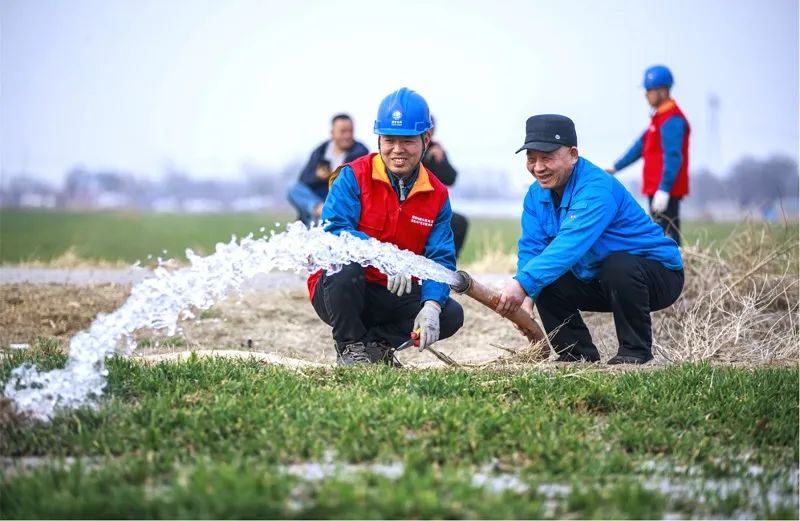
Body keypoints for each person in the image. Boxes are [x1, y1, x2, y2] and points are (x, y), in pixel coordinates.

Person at [496, 114, 684, 365]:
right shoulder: (535, 195)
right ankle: (576, 354)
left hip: (656, 275)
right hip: (599, 277)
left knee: (618, 264)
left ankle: (634, 353)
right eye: (531, 159)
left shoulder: (596, 188)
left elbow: (569, 245)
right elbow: (532, 248)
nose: (538, 167)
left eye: (547, 157)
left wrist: (521, 284)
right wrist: (527, 296)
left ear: (573, 154)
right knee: (543, 278)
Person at [306, 87, 464, 366]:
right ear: (379, 139)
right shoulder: (353, 176)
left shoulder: (437, 194)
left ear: (426, 139)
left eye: (408, 141)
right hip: (339, 290)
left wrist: (431, 305)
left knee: (450, 314)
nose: (397, 150)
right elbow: (334, 233)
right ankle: (350, 347)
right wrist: (386, 259)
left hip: (392, 293)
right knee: (344, 266)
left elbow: (439, 258)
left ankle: (376, 347)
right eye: (389, 140)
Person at [606, 65, 691, 245]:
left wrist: (665, 189)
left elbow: (673, 157)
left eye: (649, 90)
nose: (646, 94)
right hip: (656, 188)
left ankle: (675, 261)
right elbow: (640, 147)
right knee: (659, 234)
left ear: (662, 91)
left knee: (668, 235)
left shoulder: (672, 120)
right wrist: (615, 167)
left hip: (665, 190)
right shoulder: (659, 118)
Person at [287, 114, 369, 226]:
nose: (347, 136)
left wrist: (336, 176)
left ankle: (320, 219)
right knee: (293, 187)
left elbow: (361, 184)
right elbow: (303, 180)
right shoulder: (320, 151)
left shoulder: (361, 152)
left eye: (350, 131)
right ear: (332, 133)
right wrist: (317, 176)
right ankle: (320, 210)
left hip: (341, 197)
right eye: (343, 131)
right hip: (319, 196)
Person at [422, 116, 469, 258]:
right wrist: (425, 159)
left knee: (459, 222)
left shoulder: (436, 150)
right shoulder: (408, 148)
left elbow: (451, 178)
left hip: (434, 207)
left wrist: (441, 160)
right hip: (413, 205)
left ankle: (449, 262)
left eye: (431, 129)